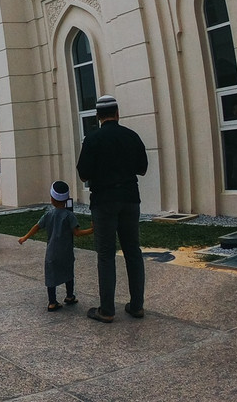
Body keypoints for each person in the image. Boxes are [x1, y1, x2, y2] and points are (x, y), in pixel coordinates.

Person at [77, 94, 148, 323]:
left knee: (106, 254)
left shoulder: (92, 139)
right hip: (130, 198)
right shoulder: (131, 136)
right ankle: (136, 306)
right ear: (117, 114)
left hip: (104, 201)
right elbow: (142, 168)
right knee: (133, 251)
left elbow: (84, 173)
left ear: (98, 116)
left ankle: (107, 310)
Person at [17, 181, 94, 311]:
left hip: (52, 252)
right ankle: (70, 296)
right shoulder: (69, 216)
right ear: (66, 199)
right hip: (66, 252)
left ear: (52, 199)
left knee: (51, 275)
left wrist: (25, 237)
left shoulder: (49, 215)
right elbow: (77, 233)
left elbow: (37, 226)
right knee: (68, 273)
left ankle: (52, 302)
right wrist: (92, 230)